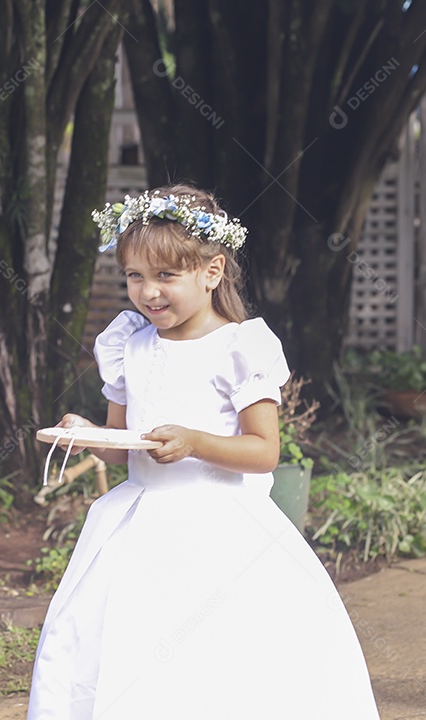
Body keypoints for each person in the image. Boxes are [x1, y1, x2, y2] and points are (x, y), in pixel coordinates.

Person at [27, 184, 380, 719]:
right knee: (130, 647)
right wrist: (90, 434)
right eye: (135, 276)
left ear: (212, 272)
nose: (149, 292)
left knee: (218, 657)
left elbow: (263, 451)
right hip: (137, 527)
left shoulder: (239, 347)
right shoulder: (128, 345)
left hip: (219, 527)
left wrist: (195, 442)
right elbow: (124, 450)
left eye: (166, 276)